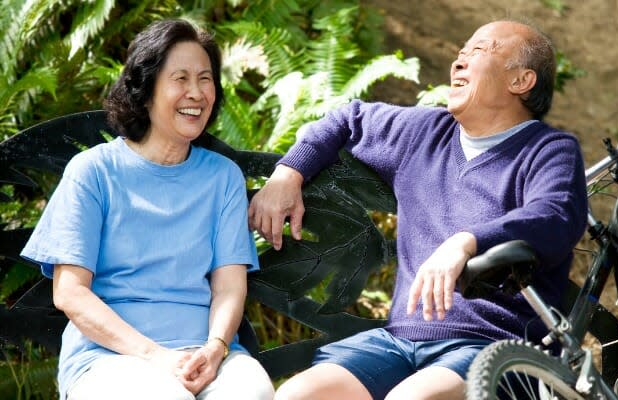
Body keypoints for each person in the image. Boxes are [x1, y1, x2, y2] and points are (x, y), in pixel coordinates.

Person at [248, 19, 588, 400]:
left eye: (480, 50)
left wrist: (467, 242)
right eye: (461, 51)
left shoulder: (549, 150)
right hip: (401, 341)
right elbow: (348, 119)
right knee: (299, 395)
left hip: (497, 345)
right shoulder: (424, 132)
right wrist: (288, 172)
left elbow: (556, 215)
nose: (460, 59)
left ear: (521, 81)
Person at [20, 19, 274, 400]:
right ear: (145, 90)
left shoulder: (222, 178)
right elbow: (70, 293)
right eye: (181, 78)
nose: (197, 93)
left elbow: (228, 286)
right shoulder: (93, 172)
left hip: (207, 356)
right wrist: (155, 356)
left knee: (251, 391)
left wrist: (216, 347)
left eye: (205, 79)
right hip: (109, 357)